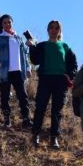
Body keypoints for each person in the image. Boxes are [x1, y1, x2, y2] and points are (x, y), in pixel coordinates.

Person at [27, 20, 77, 148]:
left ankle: (54, 138)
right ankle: (35, 135)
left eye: (57, 28)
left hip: (61, 82)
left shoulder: (65, 46)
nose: (54, 30)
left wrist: (70, 76)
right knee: (40, 107)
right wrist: (31, 47)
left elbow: (73, 64)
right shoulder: (43, 45)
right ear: (48, 30)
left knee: (57, 110)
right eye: (52, 28)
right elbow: (34, 60)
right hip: (45, 80)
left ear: (60, 31)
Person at [0, 14, 32, 128]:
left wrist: (28, 67)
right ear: (2, 25)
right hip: (5, 72)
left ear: (12, 23)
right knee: (5, 97)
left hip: (18, 71)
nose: (7, 24)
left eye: (9, 22)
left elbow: (25, 53)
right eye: (5, 23)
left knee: (22, 96)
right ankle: (7, 120)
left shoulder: (18, 38)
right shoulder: (0, 38)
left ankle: (26, 119)